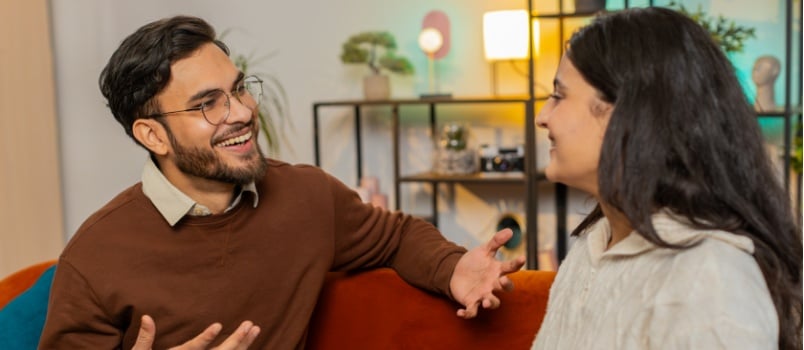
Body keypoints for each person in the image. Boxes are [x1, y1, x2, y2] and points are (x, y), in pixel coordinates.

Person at [38, 15, 525, 349]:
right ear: (153, 136)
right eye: (209, 103)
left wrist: (453, 268)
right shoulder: (95, 258)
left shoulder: (307, 198)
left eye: (239, 89)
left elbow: (394, 235)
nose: (244, 113)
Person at [531, 7, 801, 350]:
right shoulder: (593, 245)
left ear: (626, 115)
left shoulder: (711, 281)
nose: (542, 117)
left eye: (559, 95)